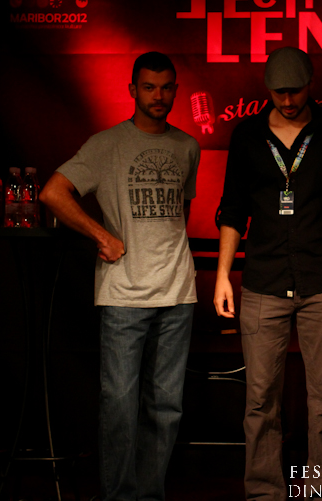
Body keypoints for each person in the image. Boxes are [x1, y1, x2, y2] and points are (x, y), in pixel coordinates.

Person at [40, 52, 200, 500]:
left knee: (166, 408)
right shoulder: (106, 144)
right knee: (119, 407)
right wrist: (101, 235)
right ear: (132, 90)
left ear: (175, 90)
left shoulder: (188, 146)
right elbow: (53, 193)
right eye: (149, 87)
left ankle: (150, 495)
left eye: (166, 87)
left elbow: (180, 214)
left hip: (178, 293)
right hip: (124, 294)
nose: (158, 96)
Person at [214, 46, 322, 500]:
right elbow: (232, 210)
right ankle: (264, 494)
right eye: (279, 93)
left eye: (295, 91)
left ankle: (320, 493)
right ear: (267, 89)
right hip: (263, 281)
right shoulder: (247, 135)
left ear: (311, 84)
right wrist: (222, 276)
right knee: (260, 401)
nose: (289, 100)